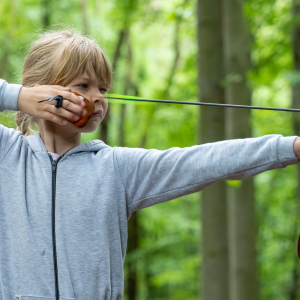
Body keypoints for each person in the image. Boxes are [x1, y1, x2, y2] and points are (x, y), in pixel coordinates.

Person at [0, 29, 299, 300]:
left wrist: (291, 146)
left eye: (103, 89)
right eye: (84, 85)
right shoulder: (8, 154)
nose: (99, 98)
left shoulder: (115, 168)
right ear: (41, 90)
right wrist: (19, 96)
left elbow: (202, 161)